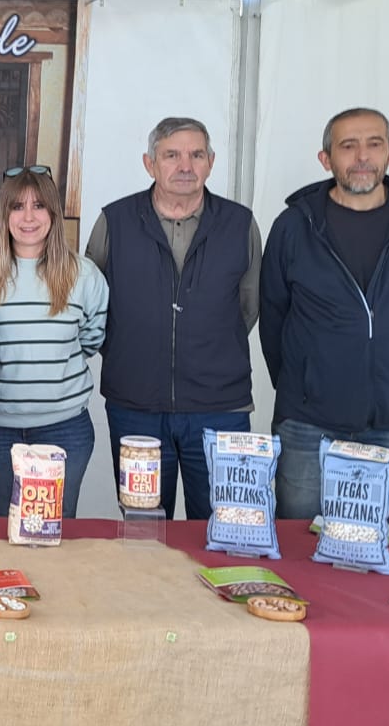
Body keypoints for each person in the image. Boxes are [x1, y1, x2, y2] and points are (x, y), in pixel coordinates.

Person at [260, 108, 389, 530]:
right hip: (308, 424)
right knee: (298, 546)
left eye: (374, 144)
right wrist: (306, 382)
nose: (362, 156)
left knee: (383, 551)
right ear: (326, 158)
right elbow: (272, 315)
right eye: (347, 146)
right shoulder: (295, 226)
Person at [86, 117, 261, 520]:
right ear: (150, 163)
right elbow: (91, 304)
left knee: (222, 527)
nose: (185, 166)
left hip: (220, 408)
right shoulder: (115, 221)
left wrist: (201, 345)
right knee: (144, 526)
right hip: (136, 406)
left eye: (196, 154)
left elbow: (248, 307)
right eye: (172, 155)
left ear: (211, 162)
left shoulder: (239, 224)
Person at [0, 166, 108, 518]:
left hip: (65, 430)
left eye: (39, 206)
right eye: (17, 207)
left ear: (53, 214)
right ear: (4, 216)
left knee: (54, 537)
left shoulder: (84, 275)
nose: (28, 217)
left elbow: (92, 338)